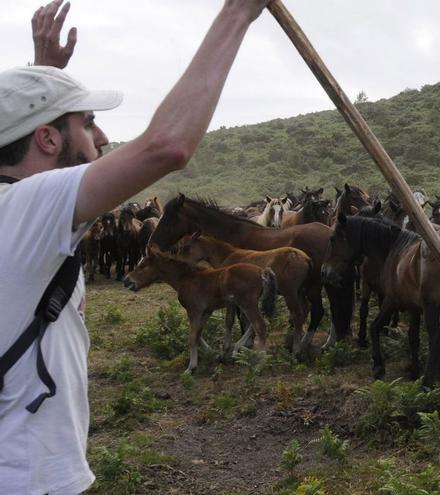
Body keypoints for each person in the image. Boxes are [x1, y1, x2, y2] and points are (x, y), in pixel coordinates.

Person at [0, 1, 271, 493]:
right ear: (44, 138)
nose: (102, 137)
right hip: (29, 477)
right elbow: (167, 145)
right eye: (87, 123)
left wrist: (45, 79)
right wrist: (238, 12)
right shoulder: (22, 210)